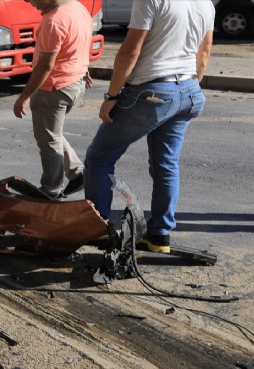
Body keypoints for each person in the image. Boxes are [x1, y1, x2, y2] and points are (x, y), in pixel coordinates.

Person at [84, 0, 215, 253]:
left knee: (98, 158)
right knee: (166, 164)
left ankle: (97, 228)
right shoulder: (205, 3)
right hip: (188, 90)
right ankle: (160, 237)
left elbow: (130, 51)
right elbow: (205, 52)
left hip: (151, 90)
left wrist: (111, 97)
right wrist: (185, 88)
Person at [13, 0, 93, 199]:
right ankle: (77, 174)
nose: (30, 3)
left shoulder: (53, 22)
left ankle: (51, 191)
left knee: (48, 140)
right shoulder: (76, 7)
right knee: (51, 133)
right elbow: (79, 42)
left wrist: (24, 97)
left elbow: (45, 67)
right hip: (76, 82)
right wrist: (84, 69)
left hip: (54, 88)